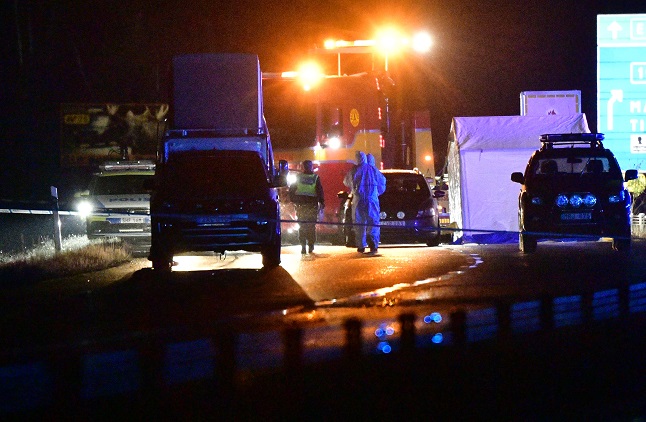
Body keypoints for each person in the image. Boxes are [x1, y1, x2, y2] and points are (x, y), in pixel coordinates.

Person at [352, 152, 386, 254]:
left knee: (359, 223)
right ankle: (373, 244)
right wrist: (375, 194)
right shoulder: (375, 170)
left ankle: (361, 245)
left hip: (359, 200)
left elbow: (347, 181)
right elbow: (382, 184)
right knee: (373, 221)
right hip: (372, 200)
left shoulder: (355, 170)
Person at [289, 160, 325, 254]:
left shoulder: (298, 177)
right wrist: (321, 202)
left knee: (302, 225)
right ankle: (311, 245)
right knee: (311, 226)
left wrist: (293, 200)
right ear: (311, 167)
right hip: (311, 205)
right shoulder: (315, 177)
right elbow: (319, 191)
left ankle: (303, 246)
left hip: (301, 205)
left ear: (303, 167)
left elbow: (292, 190)